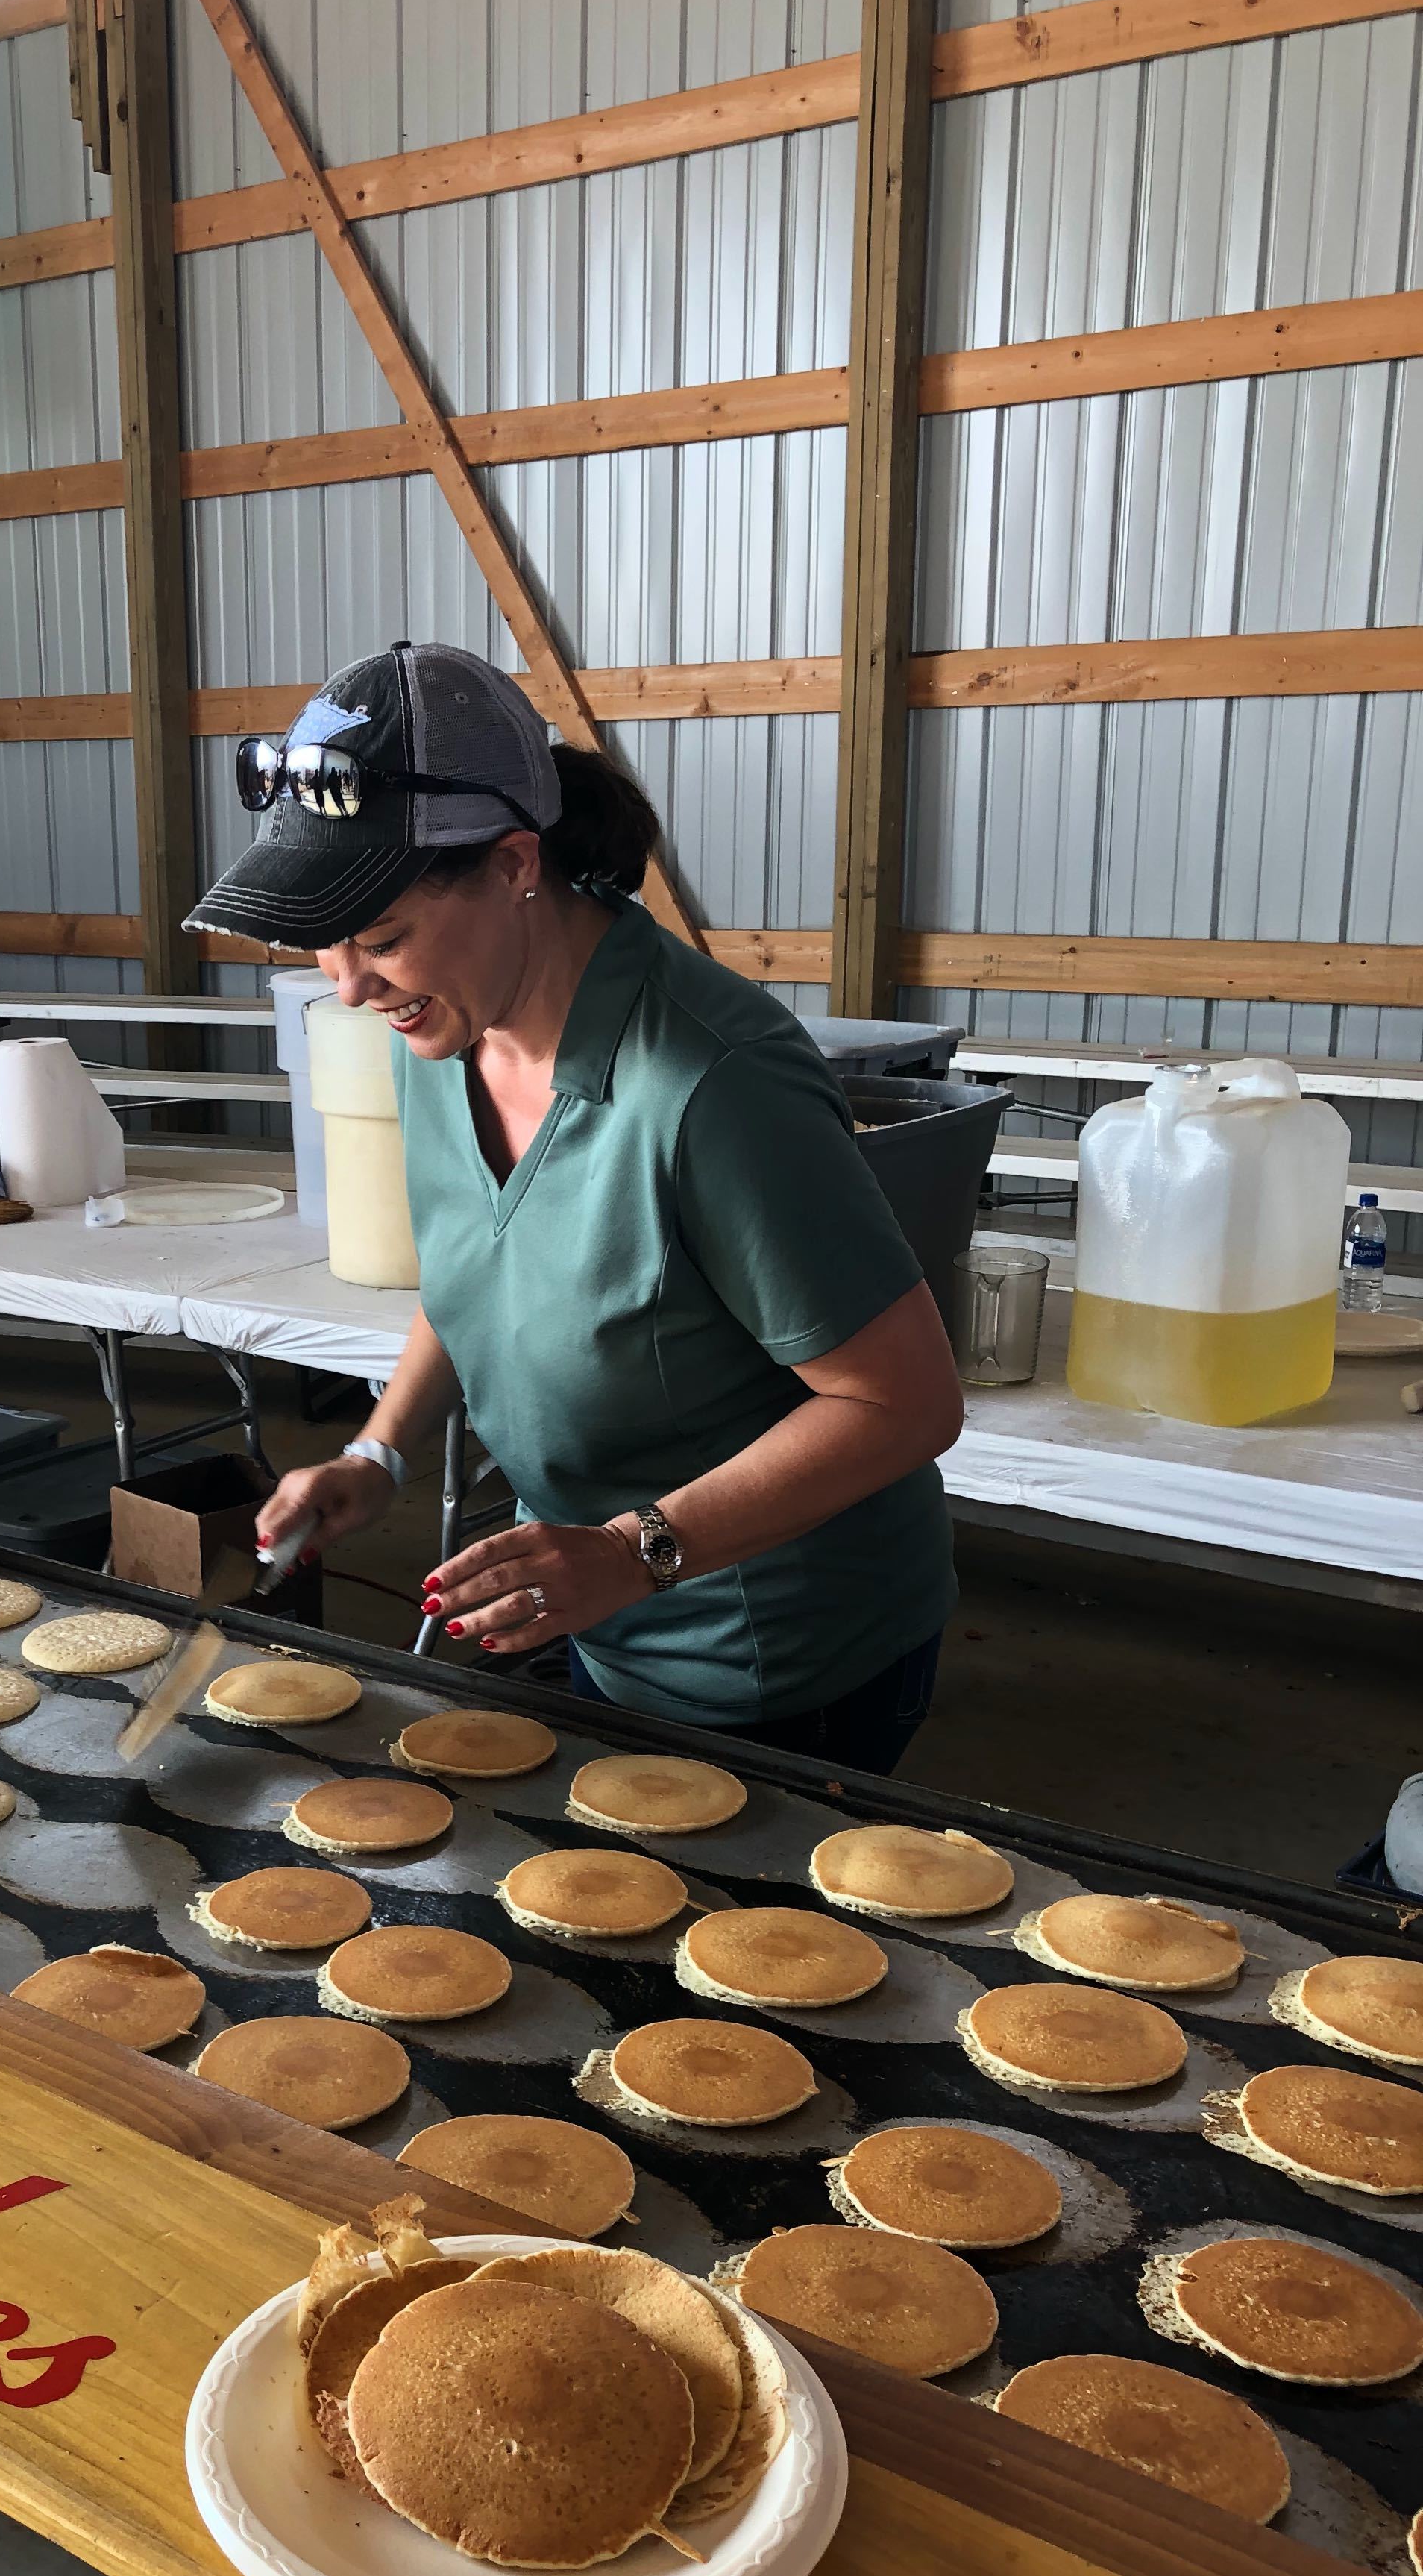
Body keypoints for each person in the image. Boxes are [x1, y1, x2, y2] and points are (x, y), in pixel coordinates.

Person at [188, 641, 964, 1777]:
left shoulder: (711, 1083)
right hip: (603, 1612)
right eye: (323, 941)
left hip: (776, 1652)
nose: (347, 987)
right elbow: (479, 1271)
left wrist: (634, 1548)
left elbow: (904, 1404)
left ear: (514, 865)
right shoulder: (441, 1030)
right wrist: (379, 1452)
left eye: (383, 937)